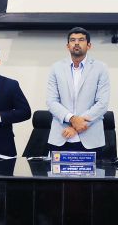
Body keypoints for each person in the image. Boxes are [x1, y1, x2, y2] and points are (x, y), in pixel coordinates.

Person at [47, 27, 110, 158]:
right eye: (72, 40)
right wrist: (72, 119)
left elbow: (102, 103)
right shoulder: (56, 68)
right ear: (67, 46)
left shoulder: (100, 68)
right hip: (61, 135)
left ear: (89, 45)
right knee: (58, 178)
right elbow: (51, 101)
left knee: (92, 178)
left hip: (91, 137)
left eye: (81, 40)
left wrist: (76, 126)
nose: (76, 43)